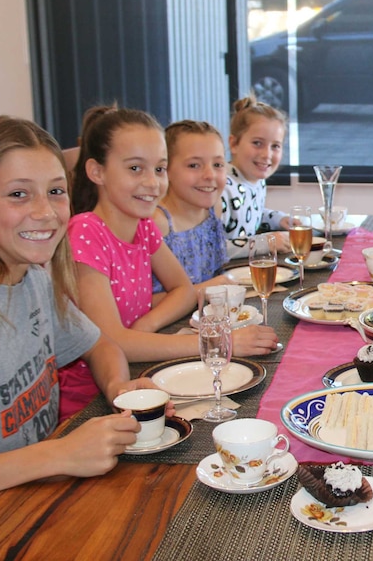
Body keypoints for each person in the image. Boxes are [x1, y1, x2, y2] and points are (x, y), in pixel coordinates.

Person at [0, 116, 165, 499]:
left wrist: (117, 387)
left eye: (56, 191)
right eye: (19, 194)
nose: (46, 212)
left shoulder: (35, 279)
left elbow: (100, 344)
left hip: (37, 490)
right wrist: (59, 454)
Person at [64, 108, 278, 419]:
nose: (152, 182)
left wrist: (146, 326)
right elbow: (114, 341)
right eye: (136, 168)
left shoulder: (141, 226)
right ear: (96, 172)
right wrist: (217, 342)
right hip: (95, 401)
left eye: (159, 169)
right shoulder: (85, 232)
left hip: (144, 367)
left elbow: (182, 288)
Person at [151, 120, 229, 295]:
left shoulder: (213, 209)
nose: (210, 175)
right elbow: (144, 304)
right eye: (194, 165)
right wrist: (205, 289)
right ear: (166, 169)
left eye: (217, 165)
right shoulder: (158, 224)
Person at [222, 96, 291, 257]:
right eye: (257, 143)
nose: (267, 154)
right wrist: (266, 243)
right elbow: (213, 250)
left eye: (275, 146)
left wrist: (278, 219)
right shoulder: (222, 188)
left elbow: (250, 213)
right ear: (234, 144)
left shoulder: (256, 181)